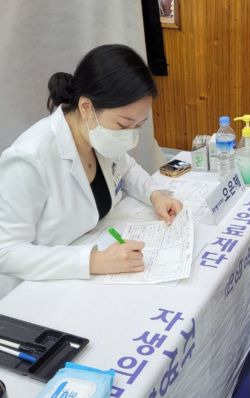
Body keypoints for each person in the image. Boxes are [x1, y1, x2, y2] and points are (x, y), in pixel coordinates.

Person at [0, 44, 182, 298]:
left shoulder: (97, 136)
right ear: (86, 107)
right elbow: (6, 252)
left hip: (90, 272)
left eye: (139, 125)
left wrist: (155, 195)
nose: (130, 136)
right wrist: (93, 261)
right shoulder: (29, 157)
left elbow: (126, 168)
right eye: (123, 124)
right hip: (36, 292)